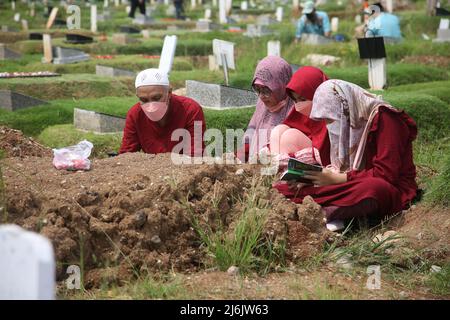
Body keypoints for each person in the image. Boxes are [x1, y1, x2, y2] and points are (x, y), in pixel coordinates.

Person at [274, 79, 418, 229]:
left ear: (346, 108)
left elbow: (387, 175)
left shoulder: (386, 118)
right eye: (327, 120)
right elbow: (342, 169)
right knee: (284, 189)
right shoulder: (350, 124)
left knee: (375, 188)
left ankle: (322, 214)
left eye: (332, 118)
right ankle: (332, 215)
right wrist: (314, 179)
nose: (331, 125)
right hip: (352, 181)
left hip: (390, 188)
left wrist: (338, 178)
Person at [119, 68, 206, 156]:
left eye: (156, 98)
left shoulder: (190, 110)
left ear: (169, 93)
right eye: (144, 100)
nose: (151, 106)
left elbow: (195, 154)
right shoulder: (135, 114)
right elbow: (127, 155)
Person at [269, 66, 330, 167]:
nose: (298, 106)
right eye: (295, 100)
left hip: (323, 163)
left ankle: (287, 172)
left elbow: (328, 150)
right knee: (279, 130)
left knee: (291, 136)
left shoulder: (330, 112)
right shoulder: (302, 112)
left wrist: (293, 157)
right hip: (292, 157)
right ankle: (277, 169)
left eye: (302, 99)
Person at [238, 56, 294, 162]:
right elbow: (252, 129)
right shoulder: (262, 104)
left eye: (266, 90)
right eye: (257, 89)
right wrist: (243, 151)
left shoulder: (294, 110)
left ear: (281, 86)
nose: (261, 96)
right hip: (255, 167)